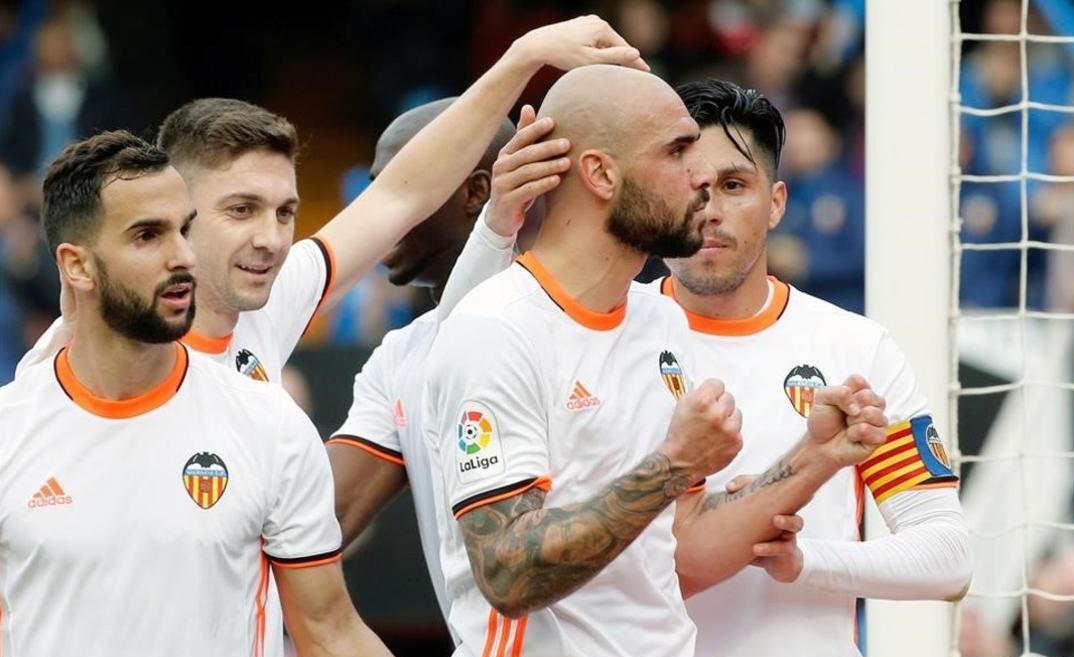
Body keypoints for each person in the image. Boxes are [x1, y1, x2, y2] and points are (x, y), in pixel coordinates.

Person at [443, 77, 974, 657]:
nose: (707, 201)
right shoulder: (586, 326)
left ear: (775, 202)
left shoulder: (852, 347)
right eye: (684, 165)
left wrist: (806, 550)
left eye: (732, 184)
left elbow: (947, 554)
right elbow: (656, 554)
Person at [16, 15, 649, 384]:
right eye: (240, 210)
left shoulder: (269, 302)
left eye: (285, 212)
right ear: (179, 217)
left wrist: (524, 56)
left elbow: (403, 193)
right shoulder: (62, 373)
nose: (270, 238)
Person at [0, 131, 404, 657]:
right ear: (77, 266)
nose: (183, 257)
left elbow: (332, 637)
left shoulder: (268, 422)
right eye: (148, 236)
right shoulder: (12, 428)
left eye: (185, 229)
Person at [326, 98, 549, 618]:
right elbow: (319, 519)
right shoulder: (400, 355)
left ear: (476, 192)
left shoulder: (574, 321)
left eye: (400, 186)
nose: (377, 208)